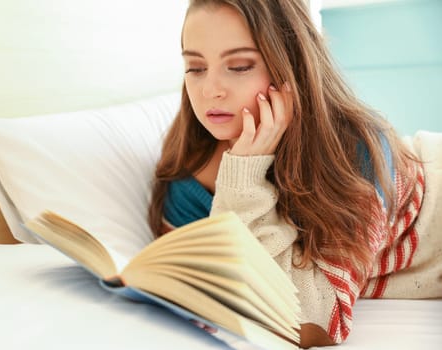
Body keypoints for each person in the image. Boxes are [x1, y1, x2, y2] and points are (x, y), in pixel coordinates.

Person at [148, 0, 442, 348]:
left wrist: (244, 177)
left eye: (239, 66)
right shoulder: (190, 178)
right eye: (195, 67)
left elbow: (314, 324)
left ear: (292, 67)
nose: (210, 89)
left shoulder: (355, 151)